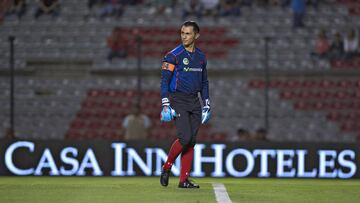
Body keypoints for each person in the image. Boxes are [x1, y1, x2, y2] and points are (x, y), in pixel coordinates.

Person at [159, 21, 211, 189]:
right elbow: (164, 82)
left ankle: (184, 180)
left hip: (195, 100)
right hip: (178, 99)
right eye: (182, 32)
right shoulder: (172, 56)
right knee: (185, 137)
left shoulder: (201, 57)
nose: (184, 36)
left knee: (191, 141)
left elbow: (204, 82)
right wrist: (166, 104)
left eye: (188, 33)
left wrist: (207, 104)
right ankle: (167, 167)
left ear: (196, 35)